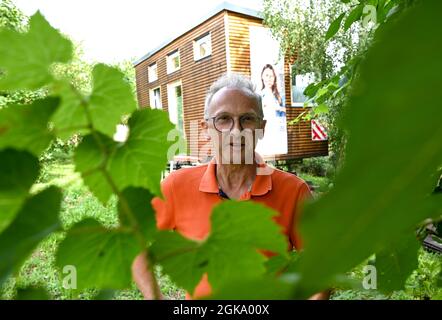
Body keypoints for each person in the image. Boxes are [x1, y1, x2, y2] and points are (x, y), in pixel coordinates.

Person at [132, 73, 329, 300]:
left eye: (247, 119)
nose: (236, 130)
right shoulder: (176, 187)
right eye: (223, 119)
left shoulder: (293, 191)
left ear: (261, 128)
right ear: (206, 129)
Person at [256, 64, 288, 156]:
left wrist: (278, 108)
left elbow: (287, 111)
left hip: (277, 131)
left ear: (274, 78)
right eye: (266, 75)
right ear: (262, 77)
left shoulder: (280, 96)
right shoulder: (258, 96)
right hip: (264, 132)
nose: (269, 78)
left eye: (271, 76)